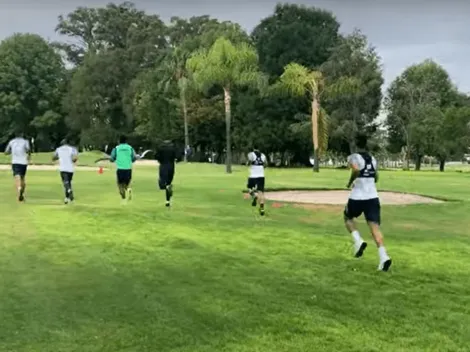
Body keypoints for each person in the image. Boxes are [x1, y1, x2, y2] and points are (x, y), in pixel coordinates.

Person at [344, 133, 392, 272]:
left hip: (358, 196)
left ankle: (358, 241)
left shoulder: (353, 157)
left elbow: (355, 169)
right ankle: (384, 257)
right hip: (372, 197)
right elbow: (376, 177)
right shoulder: (373, 159)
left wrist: (350, 182)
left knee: (347, 217)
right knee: (375, 228)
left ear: (355, 144)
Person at [96, 135, 137, 202]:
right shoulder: (130, 148)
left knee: (119, 184)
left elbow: (112, 158)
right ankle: (129, 189)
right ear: (126, 141)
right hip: (128, 169)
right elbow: (134, 158)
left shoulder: (116, 148)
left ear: (119, 141)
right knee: (127, 182)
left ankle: (123, 197)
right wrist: (130, 160)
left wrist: (111, 159)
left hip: (120, 168)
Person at [4, 132, 31, 202]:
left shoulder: (12, 142)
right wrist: (28, 155)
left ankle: (19, 189)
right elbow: (28, 150)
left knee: (17, 176)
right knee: (22, 178)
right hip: (23, 162)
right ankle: (22, 192)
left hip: (15, 162)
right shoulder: (25, 141)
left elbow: (6, 152)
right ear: (22, 134)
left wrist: (11, 151)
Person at [52, 139, 78, 204]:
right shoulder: (72, 149)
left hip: (63, 168)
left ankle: (69, 191)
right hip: (70, 169)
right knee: (68, 182)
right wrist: (73, 160)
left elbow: (54, 157)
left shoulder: (58, 149)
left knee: (65, 183)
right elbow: (74, 159)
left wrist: (58, 157)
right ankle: (67, 198)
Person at [155, 140, 180, 207]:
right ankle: (167, 201)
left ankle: (166, 187)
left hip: (163, 166)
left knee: (162, 184)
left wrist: (160, 160)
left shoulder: (160, 148)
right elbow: (178, 157)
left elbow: (156, 156)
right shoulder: (173, 148)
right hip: (171, 167)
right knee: (168, 183)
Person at [247, 146, 267, 216]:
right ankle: (262, 208)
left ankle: (253, 195)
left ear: (253, 148)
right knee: (261, 192)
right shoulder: (263, 155)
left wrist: (249, 164)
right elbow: (265, 165)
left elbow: (249, 162)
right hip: (261, 176)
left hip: (253, 176)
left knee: (249, 188)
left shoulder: (251, 154)